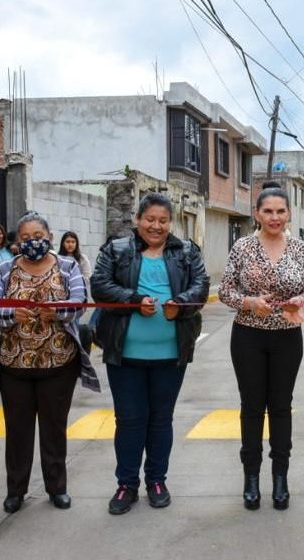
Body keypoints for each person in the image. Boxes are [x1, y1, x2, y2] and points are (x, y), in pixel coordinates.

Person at [91, 193, 209, 515]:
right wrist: (134, 299)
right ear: (137, 219)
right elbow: (99, 286)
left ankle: (157, 480)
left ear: (171, 223)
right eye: (150, 219)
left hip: (171, 355)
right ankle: (126, 484)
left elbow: (201, 287)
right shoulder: (116, 250)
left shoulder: (185, 252)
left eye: (162, 220)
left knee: (160, 421)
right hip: (125, 354)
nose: (156, 226)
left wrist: (180, 306)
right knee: (129, 421)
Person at [0, 212, 99, 514]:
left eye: (38, 236)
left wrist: (58, 312)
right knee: (18, 432)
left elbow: (79, 303)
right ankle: (15, 491)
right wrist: (11, 315)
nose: (32, 242)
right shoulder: (3, 270)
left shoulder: (68, 266)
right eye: (24, 238)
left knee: (54, 430)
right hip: (14, 367)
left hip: (58, 366)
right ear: (17, 241)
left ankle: (56, 488)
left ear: (48, 237)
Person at [219, 184, 304, 511]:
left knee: (281, 406)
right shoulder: (242, 247)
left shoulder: (301, 248)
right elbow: (225, 292)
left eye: (281, 211)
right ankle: (250, 477)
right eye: (268, 211)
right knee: (251, 406)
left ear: (288, 214)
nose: (275, 217)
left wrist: (301, 300)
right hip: (248, 336)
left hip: (287, 336)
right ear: (257, 214)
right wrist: (247, 302)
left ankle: (280, 477)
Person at [59, 231, 94, 352]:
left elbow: (87, 276)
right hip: (61, 297)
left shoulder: (81, 258)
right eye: (68, 242)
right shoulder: (57, 258)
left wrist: (74, 282)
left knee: (74, 323)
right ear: (63, 243)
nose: (70, 244)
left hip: (76, 297)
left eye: (73, 242)